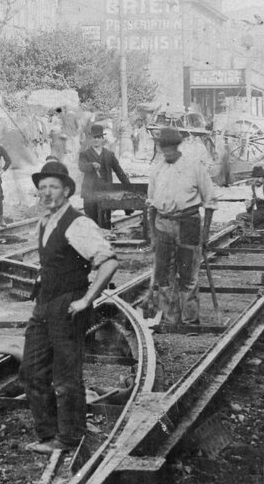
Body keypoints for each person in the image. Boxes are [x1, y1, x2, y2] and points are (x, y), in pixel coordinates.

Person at [21, 160, 120, 457]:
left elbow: (109, 262)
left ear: (66, 190)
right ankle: (48, 434)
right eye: (43, 188)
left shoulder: (78, 223)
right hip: (44, 305)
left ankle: (70, 438)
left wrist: (87, 299)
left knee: (65, 377)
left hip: (67, 306)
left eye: (53, 187)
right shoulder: (45, 221)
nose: (47, 192)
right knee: (32, 371)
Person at [145, 127, 218, 330]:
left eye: (170, 148)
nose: (167, 152)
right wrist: (152, 234)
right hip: (163, 224)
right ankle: (170, 319)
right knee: (164, 274)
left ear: (178, 146)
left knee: (188, 275)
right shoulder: (157, 169)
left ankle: (190, 321)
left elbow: (210, 202)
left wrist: (205, 234)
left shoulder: (194, 167)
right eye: (163, 148)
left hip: (188, 223)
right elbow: (151, 205)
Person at [77, 123, 134, 230]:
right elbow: (81, 167)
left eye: (98, 137)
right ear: (90, 138)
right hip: (90, 193)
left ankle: (106, 242)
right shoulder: (85, 154)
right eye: (94, 137)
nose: (96, 140)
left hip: (106, 192)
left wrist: (129, 187)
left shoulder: (109, 154)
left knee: (105, 221)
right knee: (91, 222)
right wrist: (91, 165)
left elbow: (119, 172)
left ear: (102, 138)